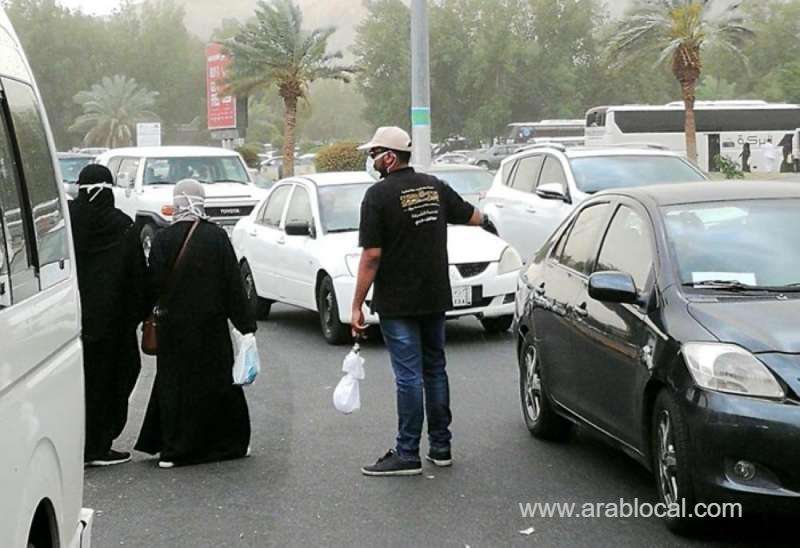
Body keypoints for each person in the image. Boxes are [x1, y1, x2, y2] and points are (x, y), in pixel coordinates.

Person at [352, 127, 497, 476]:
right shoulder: (434, 187)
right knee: (434, 369)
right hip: (434, 297)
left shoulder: (378, 196)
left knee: (408, 377)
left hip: (398, 302)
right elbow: (471, 215)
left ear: (390, 157)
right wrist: (492, 225)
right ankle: (441, 447)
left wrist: (356, 304)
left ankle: (406, 453)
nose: (371, 160)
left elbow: (372, 255)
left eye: (374, 154)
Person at [135, 179, 256, 468]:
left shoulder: (164, 238)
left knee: (176, 387)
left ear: (176, 202)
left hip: (174, 328)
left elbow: (153, 284)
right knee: (217, 385)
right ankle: (226, 444)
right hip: (210, 327)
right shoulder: (216, 237)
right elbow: (232, 284)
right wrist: (245, 325)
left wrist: (142, 315)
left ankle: (175, 450)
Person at [68, 164, 148, 466]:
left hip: (68, 322)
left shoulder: (68, 221)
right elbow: (137, 279)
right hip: (113, 328)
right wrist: (136, 315)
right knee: (112, 381)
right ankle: (99, 444)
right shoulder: (122, 227)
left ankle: (74, 443)